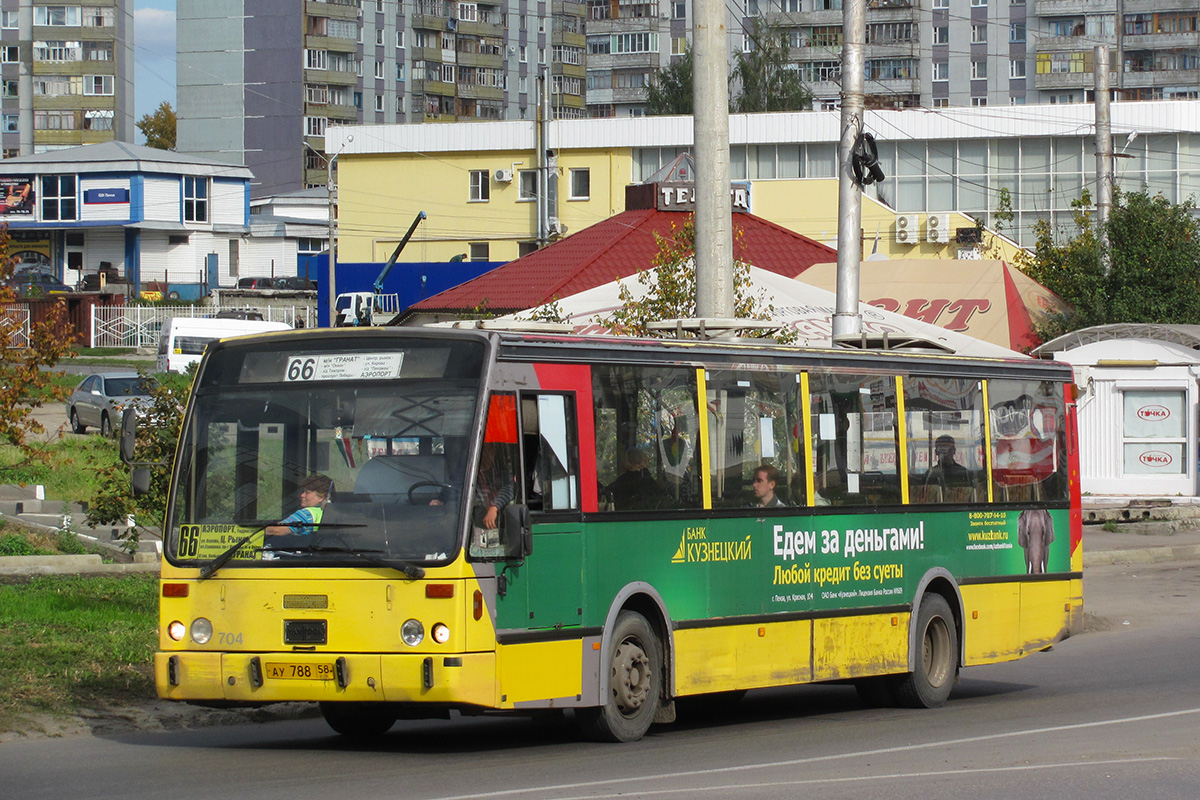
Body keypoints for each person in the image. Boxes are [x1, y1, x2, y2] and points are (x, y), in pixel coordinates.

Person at [265, 474, 332, 536]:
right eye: (303, 492)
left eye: (307, 493)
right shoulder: (329, 513)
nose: (302, 495)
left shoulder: (306, 514)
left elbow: (276, 530)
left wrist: (259, 531)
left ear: (321, 497)